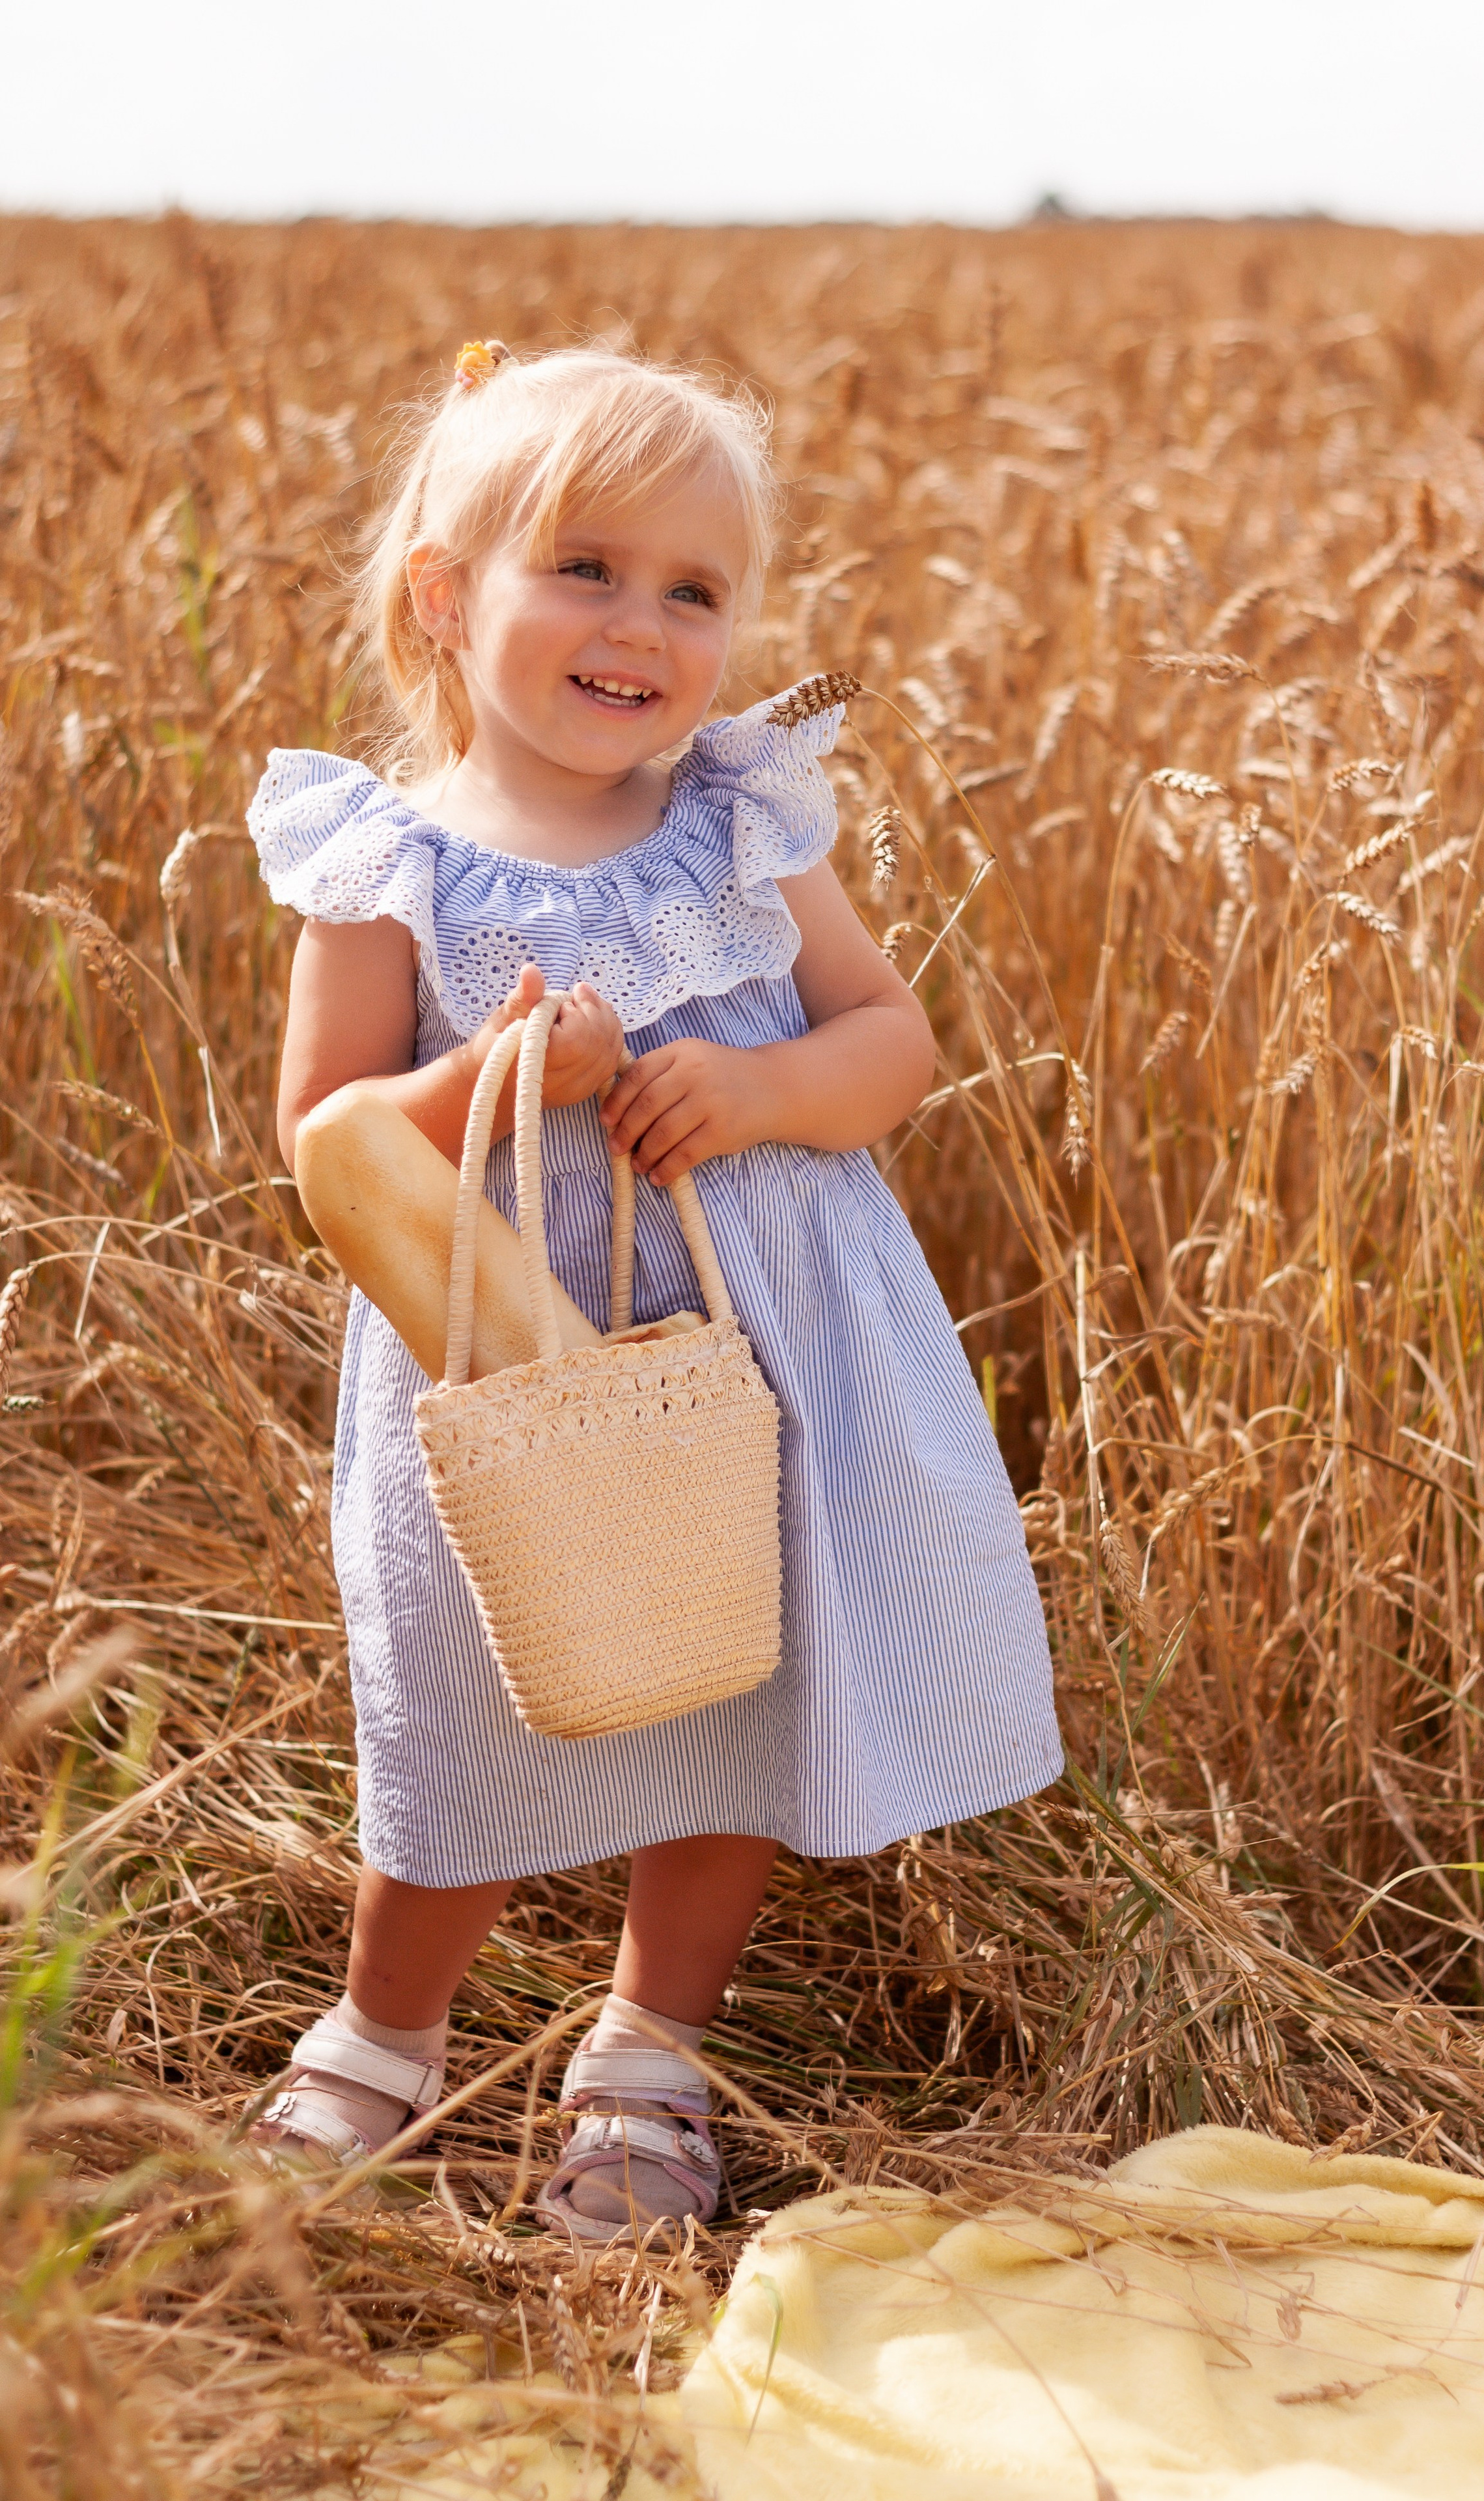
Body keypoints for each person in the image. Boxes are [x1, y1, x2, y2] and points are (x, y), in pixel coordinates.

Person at [247, 339, 1063, 2242]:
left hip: (764, 1352)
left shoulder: (740, 823)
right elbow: (326, 1144)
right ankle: (385, 2030)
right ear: (448, 601)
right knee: (464, 1683)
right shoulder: (387, 866)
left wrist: (764, 1087)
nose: (643, 628)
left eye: (693, 592)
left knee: (730, 1682)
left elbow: (891, 1039)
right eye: (588, 570)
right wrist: (504, 1070)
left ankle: (647, 2055)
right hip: (503, 1368)